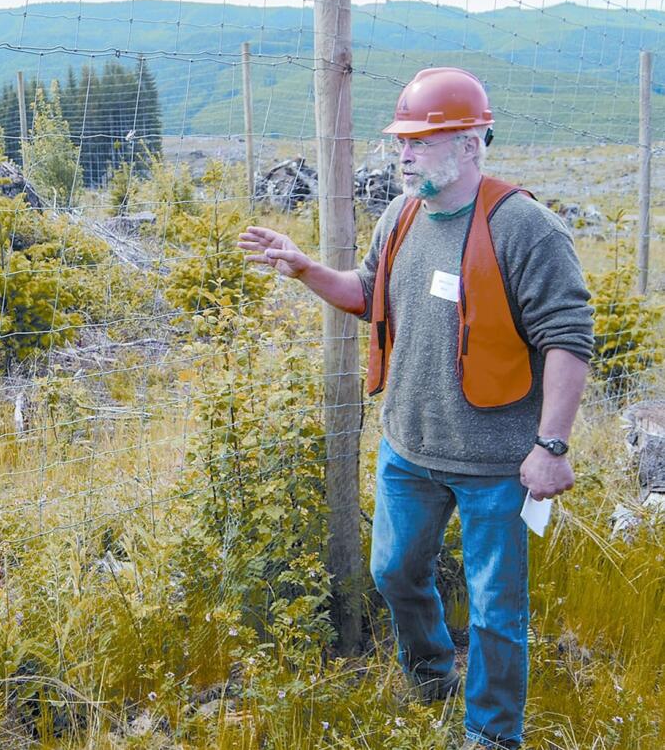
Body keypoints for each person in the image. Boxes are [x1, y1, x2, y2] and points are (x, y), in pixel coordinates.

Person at [236, 67, 593, 749]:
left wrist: (550, 446)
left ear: (471, 144)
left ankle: (490, 734)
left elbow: (568, 337)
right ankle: (433, 677)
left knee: (495, 610)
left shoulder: (524, 228)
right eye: (402, 140)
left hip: (498, 464)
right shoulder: (400, 215)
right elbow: (369, 292)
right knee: (393, 570)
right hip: (409, 449)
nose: (403, 154)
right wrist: (307, 267)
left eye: (421, 142)